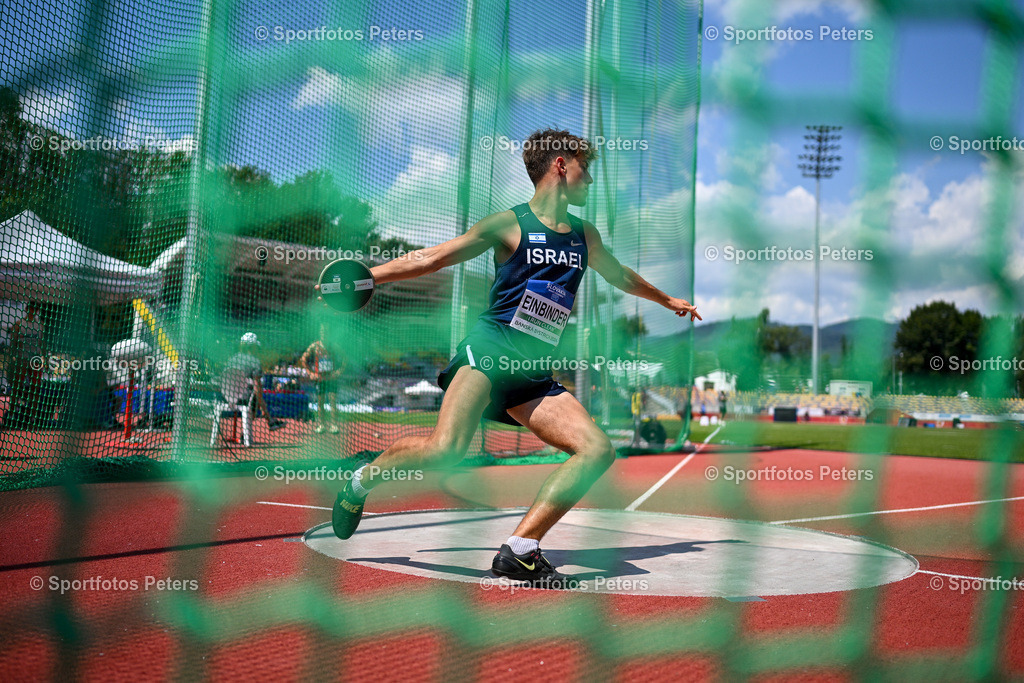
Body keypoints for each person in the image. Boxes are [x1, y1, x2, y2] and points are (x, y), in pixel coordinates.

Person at [327, 128, 701, 588]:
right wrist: (368, 277)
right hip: (489, 353)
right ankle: (360, 481)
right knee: (445, 450)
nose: (591, 178)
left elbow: (619, 273)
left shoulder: (586, 235)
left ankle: (520, 550)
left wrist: (668, 301)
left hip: (533, 373)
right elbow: (434, 258)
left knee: (596, 449)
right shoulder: (508, 224)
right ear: (561, 164)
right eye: (586, 166)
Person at [219, 333, 284, 436]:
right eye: (256, 347)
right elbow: (257, 388)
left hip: (225, 397)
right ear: (252, 347)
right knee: (255, 397)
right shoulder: (255, 362)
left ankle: (269, 420)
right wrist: (263, 405)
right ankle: (250, 431)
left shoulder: (233, 359)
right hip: (243, 399)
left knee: (253, 394)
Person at [301, 323, 345, 434]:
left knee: (332, 402)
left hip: (331, 378)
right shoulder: (315, 346)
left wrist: (339, 371)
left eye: (326, 331)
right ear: (320, 333)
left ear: (329, 333)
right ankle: (321, 425)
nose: (324, 333)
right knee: (320, 402)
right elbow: (303, 359)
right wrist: (310, 373)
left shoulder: (333, 346)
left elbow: (345, 358)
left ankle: (334, 425)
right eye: (322, 331)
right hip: (320, 378)